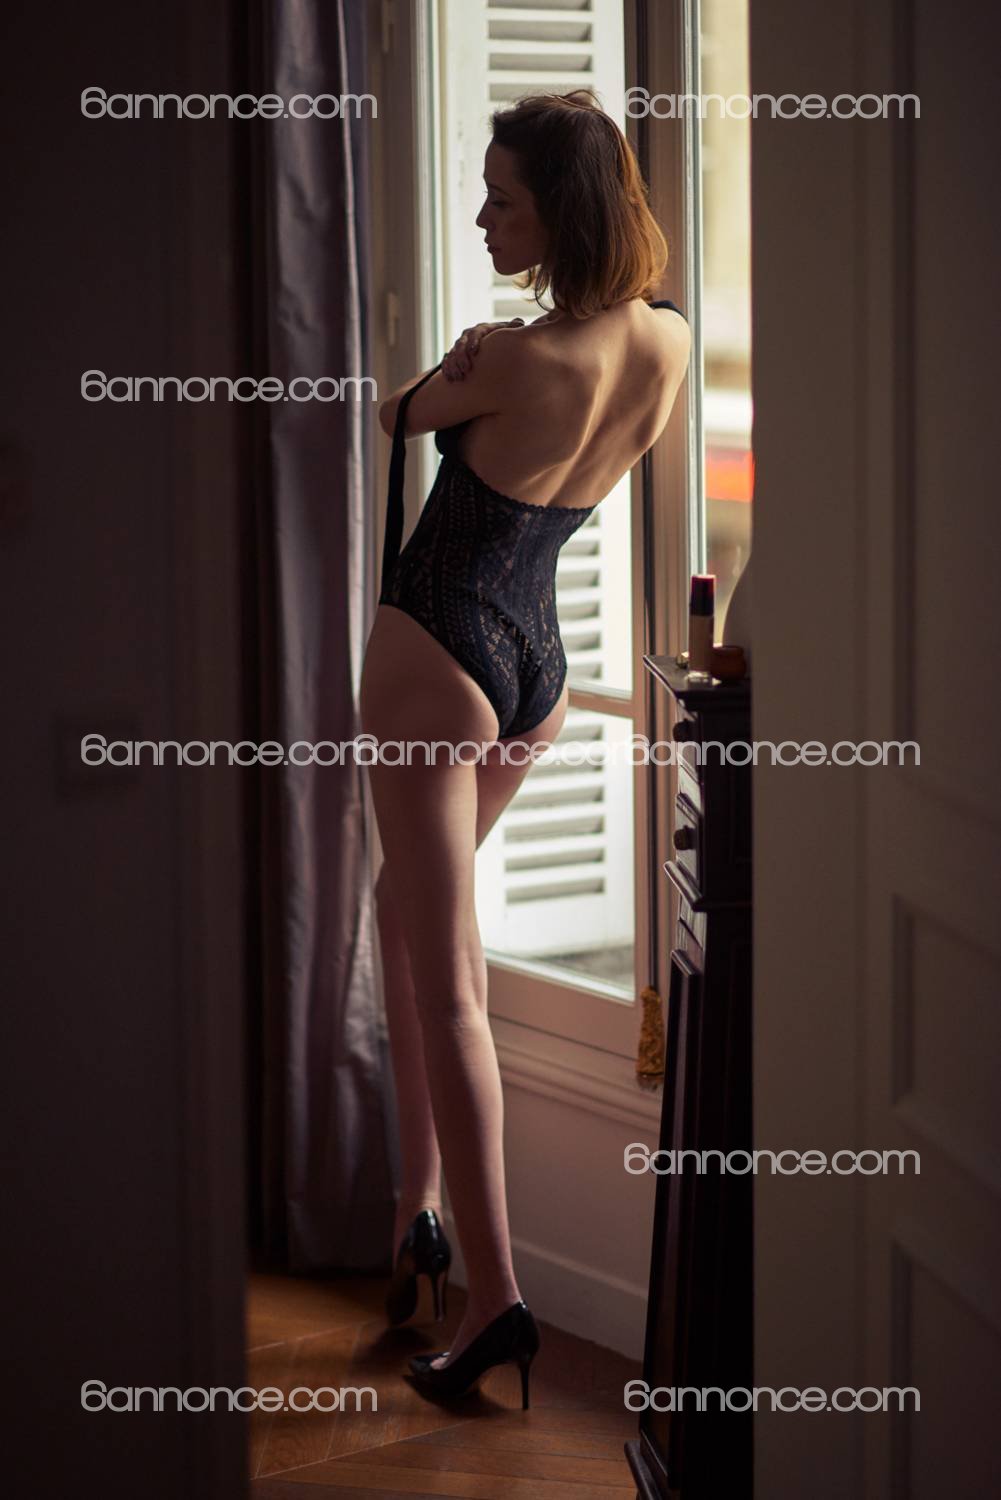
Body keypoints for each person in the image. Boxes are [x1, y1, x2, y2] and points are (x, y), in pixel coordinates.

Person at [359, 88, 691, 1409]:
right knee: (402, 914)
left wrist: (455, 366)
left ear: (562, 210)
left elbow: (391, 417)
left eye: (503, 198)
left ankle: (496, 1298)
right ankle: (417, 1215)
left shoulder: (511, 358)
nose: (483, 217)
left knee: (448, 985)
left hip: (436, 656)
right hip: (534, 668)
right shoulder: (665, 340)